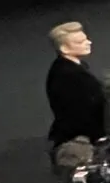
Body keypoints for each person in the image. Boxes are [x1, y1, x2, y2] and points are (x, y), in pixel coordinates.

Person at [45, 21, 106, 150]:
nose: (89, 42)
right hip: (82, 143)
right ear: (64, 49)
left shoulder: (73, 68)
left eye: (86, 39)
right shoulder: (67, 76)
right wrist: (99, 137)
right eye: (80, 42)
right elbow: (79, 114)